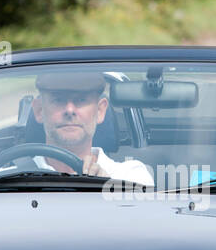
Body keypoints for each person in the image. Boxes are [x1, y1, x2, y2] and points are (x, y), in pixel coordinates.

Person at [26, 71, 154, 183]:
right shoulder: (9, 177)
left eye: (81, 100)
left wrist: (107, 188)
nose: (70, 110)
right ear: (39, 110)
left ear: (100, 111)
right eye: (58, 100)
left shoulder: (131, 176)